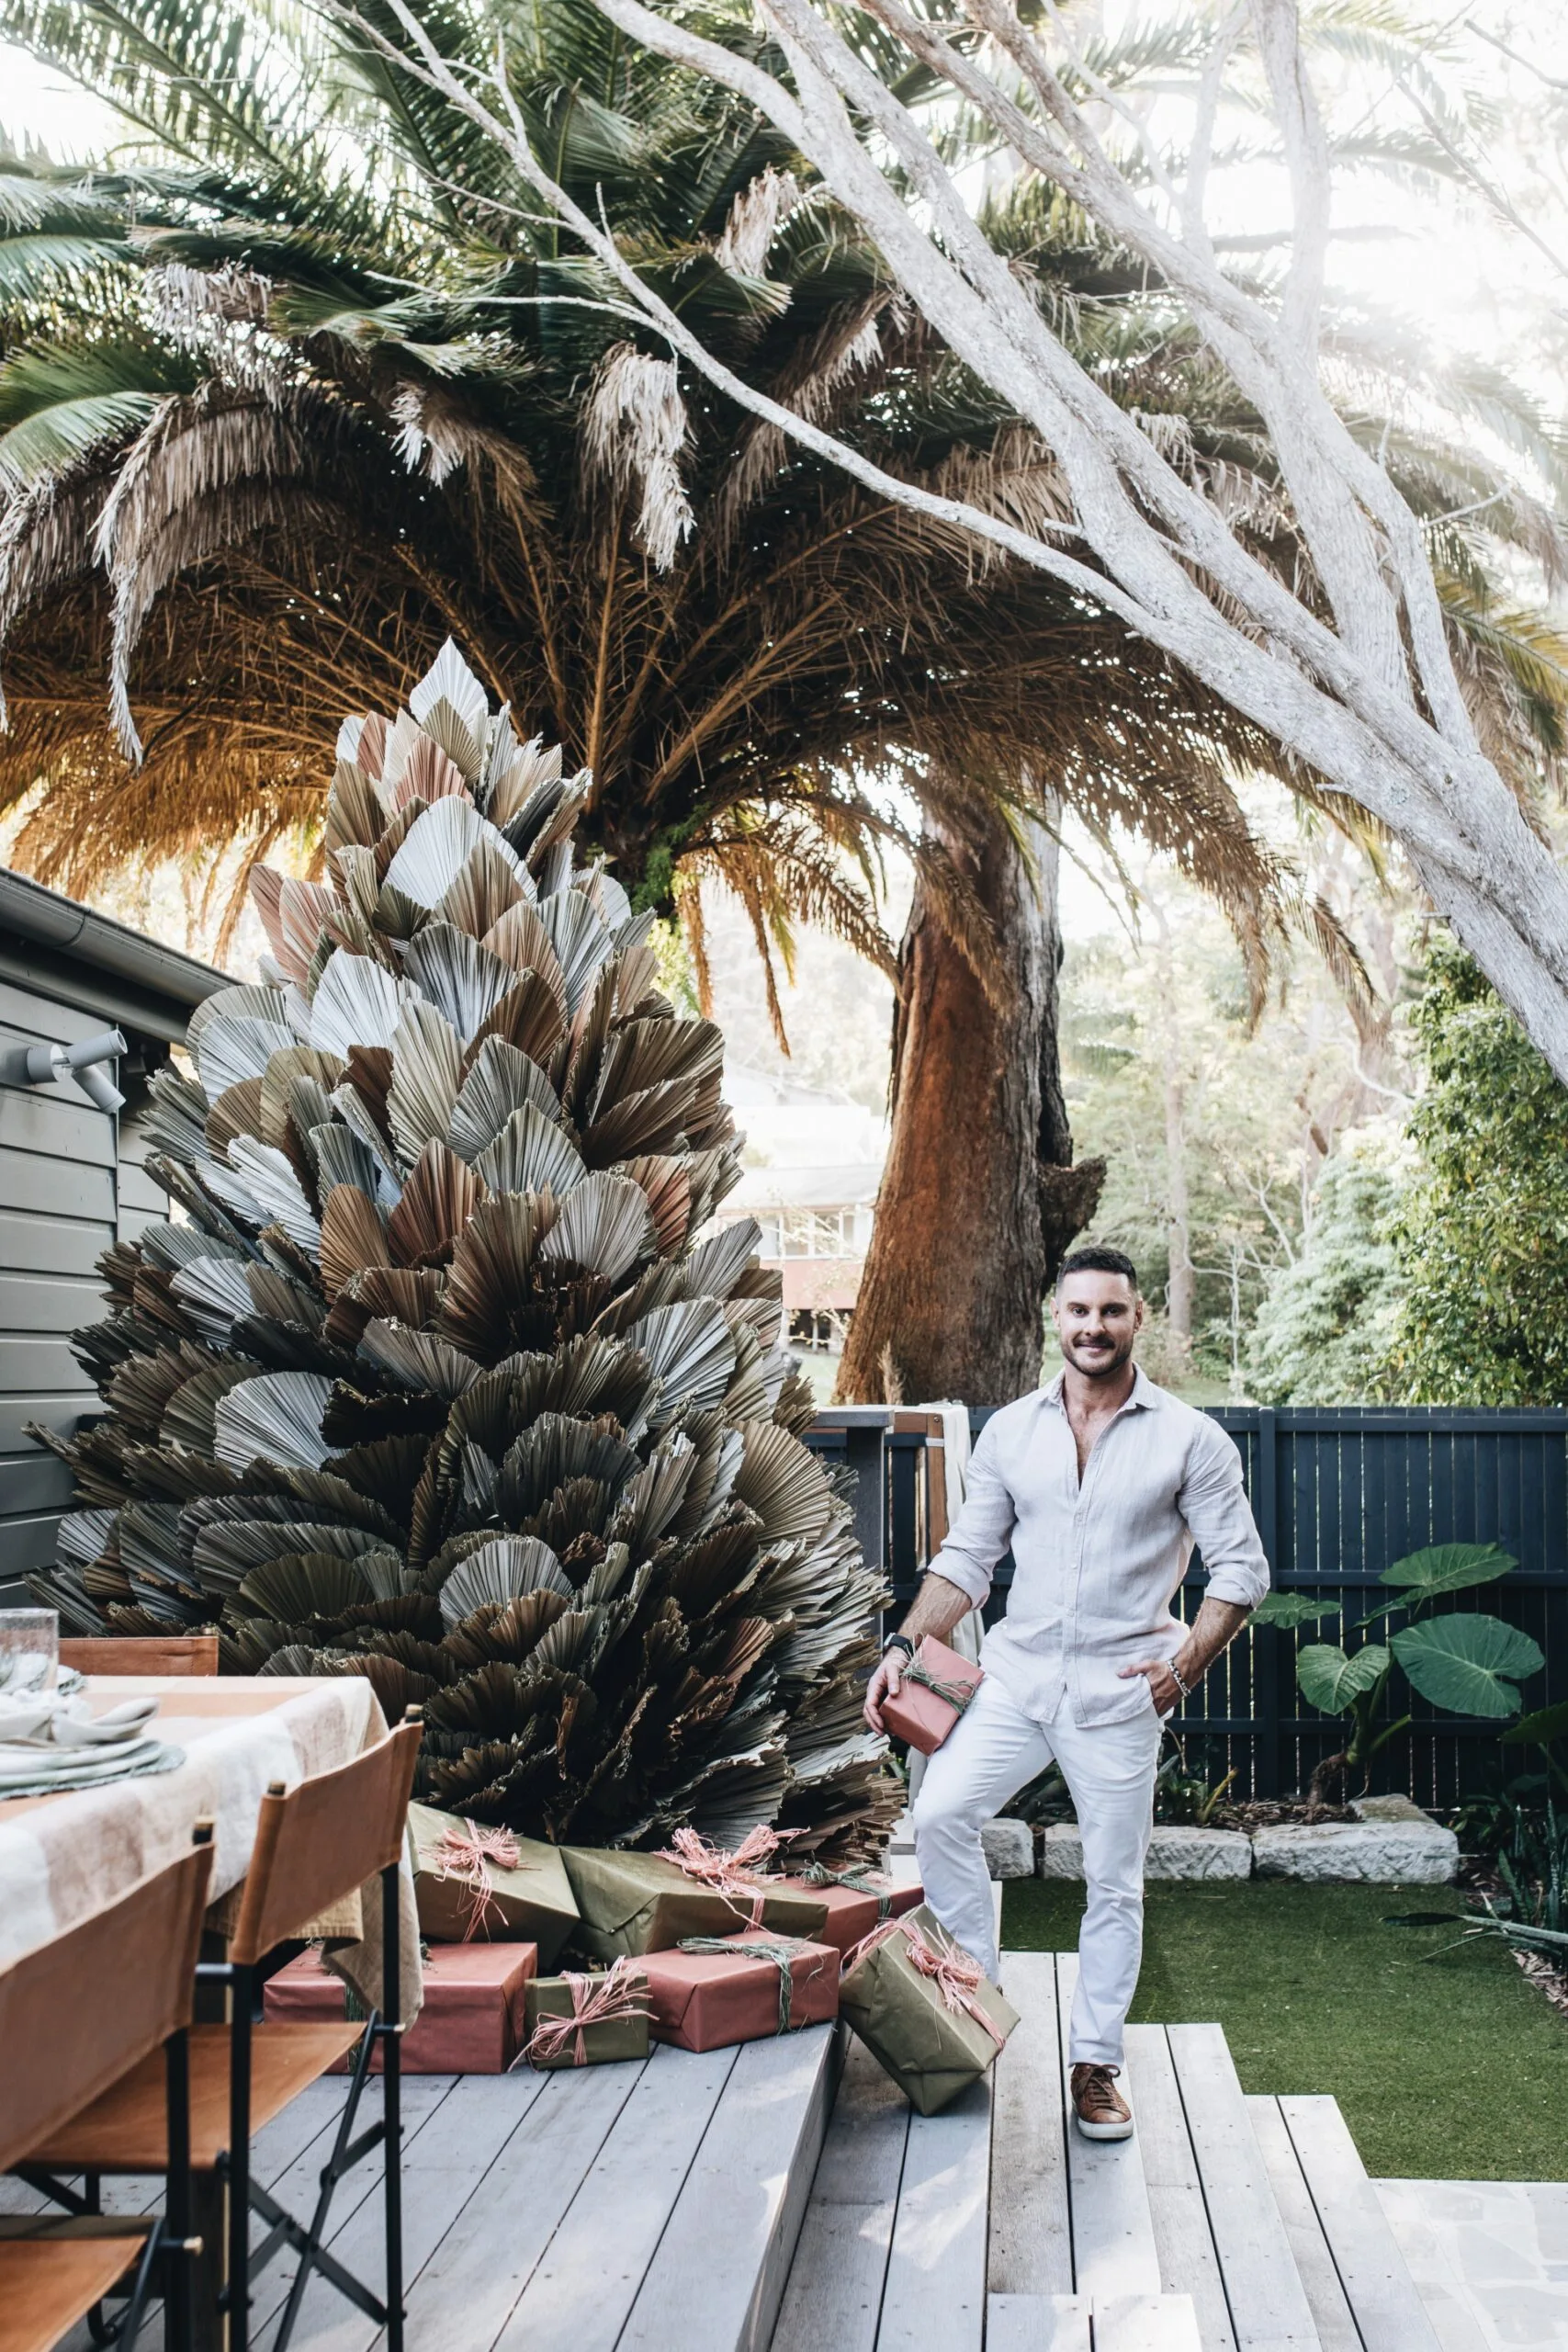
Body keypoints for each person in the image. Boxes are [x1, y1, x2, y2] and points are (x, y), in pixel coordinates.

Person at [864, 1246, 1269, 2143]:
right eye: (1079, 1310)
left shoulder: (1190, 1439)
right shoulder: (1013, 1431)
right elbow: (968, 1559)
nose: (1094, 1326)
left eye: (1111, 1311)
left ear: (1138, 1318)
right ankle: (974, 1999)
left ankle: (1095, 2064)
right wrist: (903, 1644)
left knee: (1113, 1883)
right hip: (1016, 1680)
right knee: (939, 1815)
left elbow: (1242, 1573)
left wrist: (1184, 1666)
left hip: (1121, 1694)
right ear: (1057, 1316)